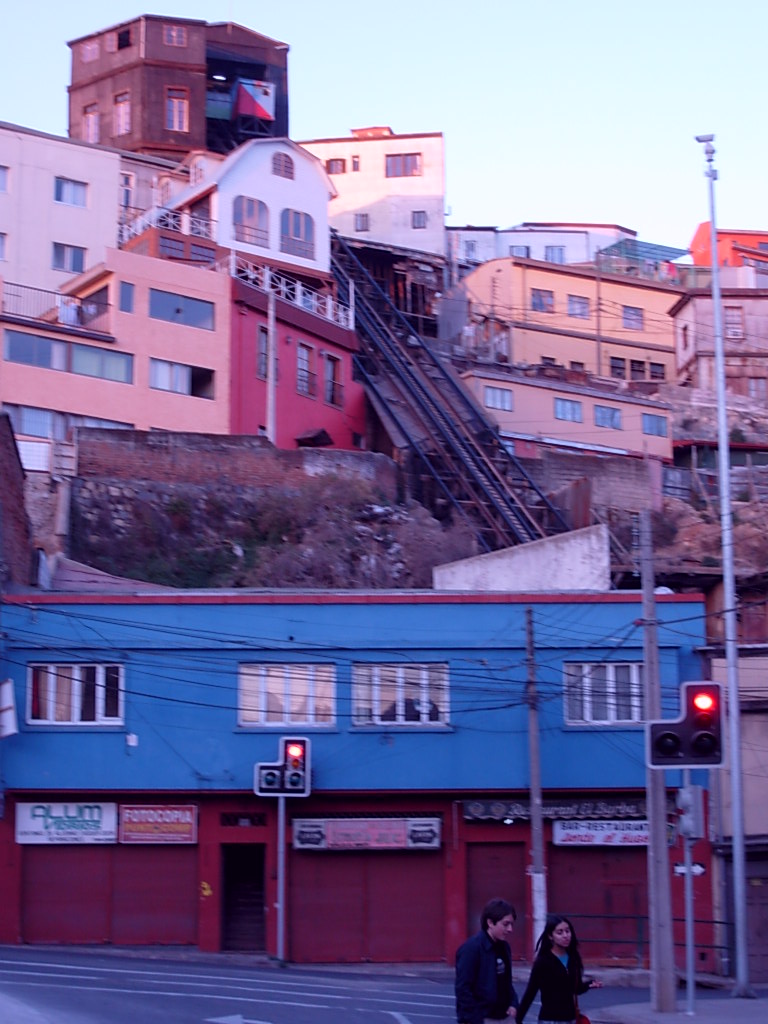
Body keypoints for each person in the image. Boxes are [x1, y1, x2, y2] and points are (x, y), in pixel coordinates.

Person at [517, 914, 602, 1024]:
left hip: (571, 1019)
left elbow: (574, 989)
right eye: (560, 932)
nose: (565, 935)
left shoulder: (573, 958)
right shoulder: (543, 962)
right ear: (550, 936)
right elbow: (530, 993)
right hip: (550, 1020)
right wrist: (517, 1020)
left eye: (567, 931)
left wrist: (588, 985)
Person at [455, 897, 519, 1024]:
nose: (510, 929)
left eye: (511, 924)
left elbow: (506, 982)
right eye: (505, 924)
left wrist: (513, 1003)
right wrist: (476, 1019)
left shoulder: (504, 947)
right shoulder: (471, 949)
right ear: (490, 922)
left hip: (505, 1017)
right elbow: (463, 989)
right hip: (483, 1018)